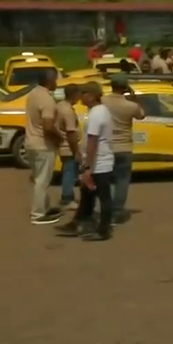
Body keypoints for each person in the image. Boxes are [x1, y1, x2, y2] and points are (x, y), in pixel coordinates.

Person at [56, 82, 115, 241]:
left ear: (91, 95)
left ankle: (103, 230)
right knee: (87, 195)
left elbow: (92, 142)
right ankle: (79, 223)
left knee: (104, 197)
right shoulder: (100, 111)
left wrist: (87, 167)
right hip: (98, 162)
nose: (80, 96)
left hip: (99, 164)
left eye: (83, 93)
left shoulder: (97, 114)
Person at [101, 74, 145, 225]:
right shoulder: (130, 106)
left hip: (106, 146)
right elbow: (141, 115)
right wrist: (135, 98)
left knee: (104, 180)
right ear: (125, 88)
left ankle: (104, 209)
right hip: (124, 147)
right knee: (122, 181)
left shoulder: (102, 101)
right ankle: (116, 211)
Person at [25, 69, 63, 225]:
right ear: (50, 80)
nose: (57, 83)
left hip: (30, 142)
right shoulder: (47, 100)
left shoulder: (33, 94)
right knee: (42, 181)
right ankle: (38, 214)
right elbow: (48, 126)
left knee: (39, 178)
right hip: (43, 145)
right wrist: (59, 137)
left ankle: (45, 207)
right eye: (55, 80)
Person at [56, 83, 82, 210]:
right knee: (69, 173)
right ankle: (67, 198)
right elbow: (71, 132)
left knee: (68, 172)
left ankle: (67, 196)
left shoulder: (61, 106)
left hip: (63, 145)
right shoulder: (67, 111)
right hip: (68, 146)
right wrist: (76, 151)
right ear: (75, 94)